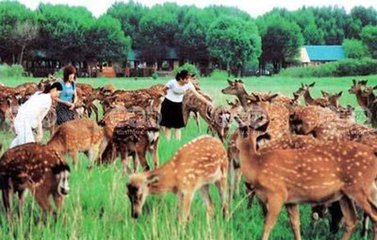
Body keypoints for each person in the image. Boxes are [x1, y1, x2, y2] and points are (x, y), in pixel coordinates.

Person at [10, 83, 61, 148]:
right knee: (28, 147)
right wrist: (40, 132)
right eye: (58, 93)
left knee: (18, 144)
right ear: (54, 90)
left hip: (21, 120)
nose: (58, 95)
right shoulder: (47, 100)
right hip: (24, 122)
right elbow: (38, 114)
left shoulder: (39, 94)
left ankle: (7, 156)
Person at [160, 70, 195, 141]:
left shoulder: (189, 84)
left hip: (178, 104)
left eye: (188, 79)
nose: (188, 81)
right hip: (168, 104)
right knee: (168, 125)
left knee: (178, 126)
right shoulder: (172, 82)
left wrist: (206, 101)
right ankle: (168, 142)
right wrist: (165, 96)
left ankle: (177, 142)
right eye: (186, 79)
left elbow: (197, 94)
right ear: (181, 78)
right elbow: (163, 89)